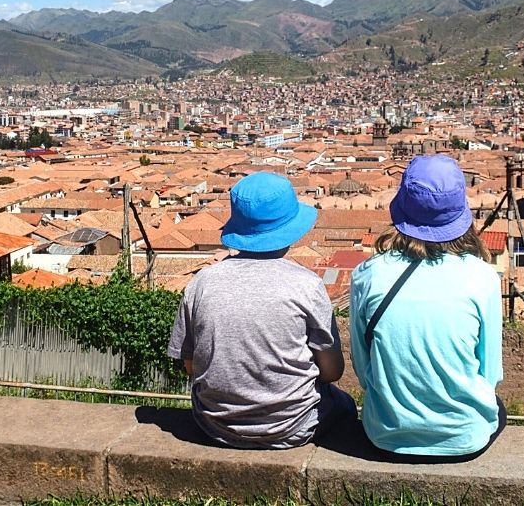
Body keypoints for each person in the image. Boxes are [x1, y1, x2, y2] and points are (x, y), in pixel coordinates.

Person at [167, 171, 356, 449]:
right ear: (290, 230)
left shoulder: (202, 282)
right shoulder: (307, 285)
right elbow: (332, 372)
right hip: (293, 427)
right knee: (345, 404)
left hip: (214, 425)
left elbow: (190, 366)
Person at [350, 154, 504, 461]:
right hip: (464, 439)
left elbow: (362, 367)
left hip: (384, 436)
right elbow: (489, 374)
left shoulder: (368, 274)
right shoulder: (483, 277)